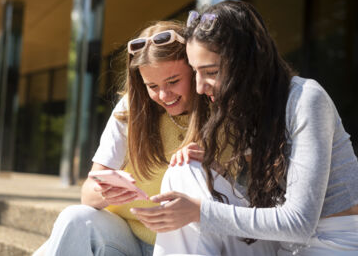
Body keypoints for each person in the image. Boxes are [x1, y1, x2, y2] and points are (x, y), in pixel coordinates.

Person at [131, 1, 358, 255]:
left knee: (197, 206)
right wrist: (215, 171)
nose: (200, 87)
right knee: (186, 171)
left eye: (211, 71)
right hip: (284, 246)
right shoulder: (248, 111)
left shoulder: (306, 99)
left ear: (247, 63)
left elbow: (299, 223)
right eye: (195, 73)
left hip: (338, 242)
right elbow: (264, 208)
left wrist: (199, 211)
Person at [34, 19, 278, 256]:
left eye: (173, 81)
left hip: (196, 244)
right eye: (152, 86)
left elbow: (262, 190)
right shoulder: (130, 110)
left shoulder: (227, 111)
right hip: (127, 238)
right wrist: (104, 193)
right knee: (75, 218)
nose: (164, 94)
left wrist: (215, 167)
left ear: (194, 69)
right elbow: (87, 193)